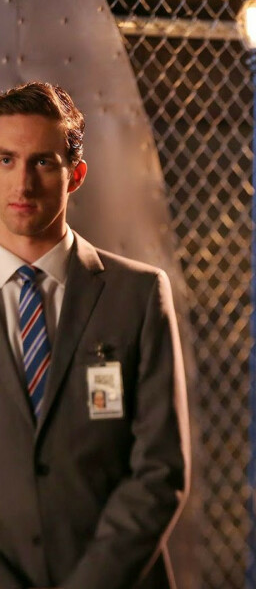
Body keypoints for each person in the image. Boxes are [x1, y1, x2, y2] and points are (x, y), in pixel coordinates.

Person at [0, 81, 189, 588]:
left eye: (43, 162)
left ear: (76, 175)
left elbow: (160, 470)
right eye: (5, 160)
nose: (23, 183)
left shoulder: (138, 295)